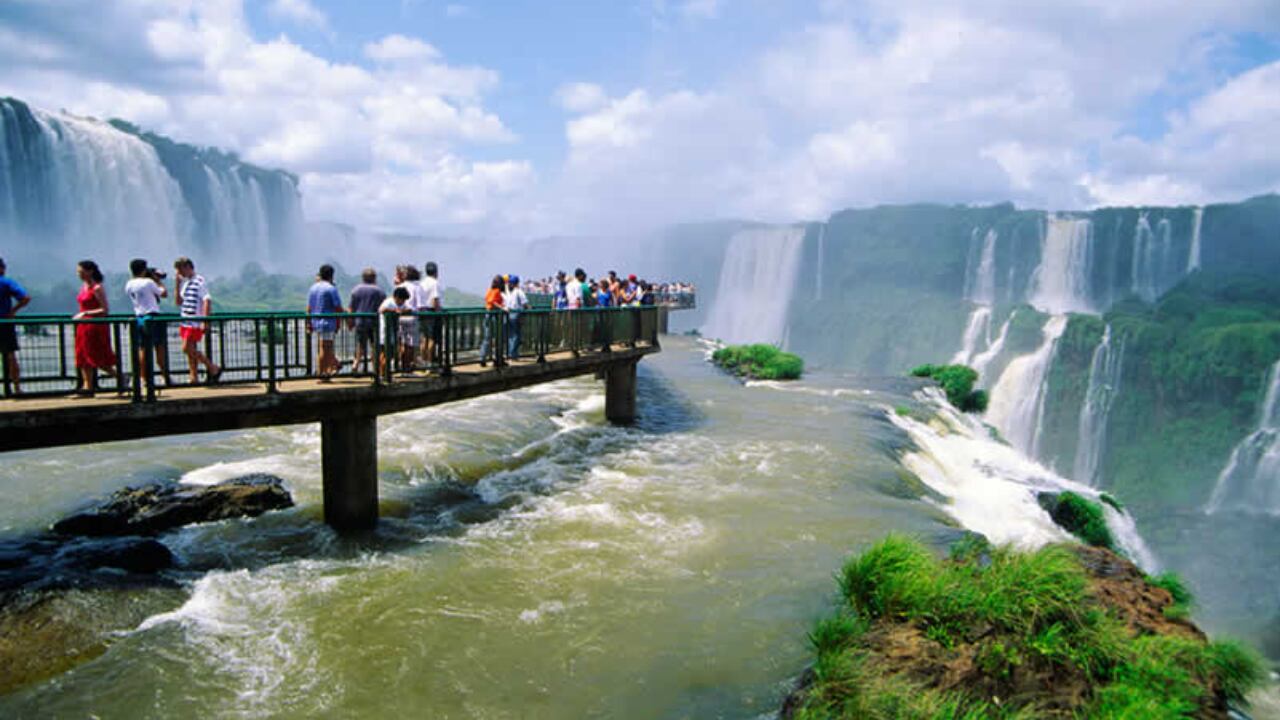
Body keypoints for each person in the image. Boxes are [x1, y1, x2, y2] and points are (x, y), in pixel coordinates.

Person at [72, 260, 121, 395]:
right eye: (78, 272)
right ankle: (88, 387)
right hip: (83, 326)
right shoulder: (84, 287)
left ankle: (120, 377)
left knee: (96, 357)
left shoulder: (97, 288)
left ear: (90, 271)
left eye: (81, 272)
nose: (79, 274)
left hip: (95, 326)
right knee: (82, 356)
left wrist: (86, 313)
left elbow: (105, 310)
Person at [174, 257, 221, 385]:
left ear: (188, 267)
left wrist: (205, 320)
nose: (179, 273)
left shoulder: (199, 281)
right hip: (185, 321)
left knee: (186, 348)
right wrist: (177, 285)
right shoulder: (185, 283)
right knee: (190, 350)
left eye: (180, 269)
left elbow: (207, 300)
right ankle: (193, 377)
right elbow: (178, 302)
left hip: (194, 322)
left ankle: (212, 367)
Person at [125, 258, 170, 386]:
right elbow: (164, 294)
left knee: (142, 348)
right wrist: (158, 281)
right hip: (153, 316)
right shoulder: (149, 282)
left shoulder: (129, 284)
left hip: (139, 317)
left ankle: (142, 378)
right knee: (159, 347)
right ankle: (164, 376)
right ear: (144, 269)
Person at [306, 264, 345, 381]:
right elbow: (337, 306)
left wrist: (309, 322)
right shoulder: (331, 288)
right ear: (331, 275)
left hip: (316, 321)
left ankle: (322, 372)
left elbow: (309, 307)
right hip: (328, 322)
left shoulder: (313, 288)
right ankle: (323, 374)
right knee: (326, 349)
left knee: (323, 348)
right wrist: (345, 315)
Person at [0, 258, 31, 394]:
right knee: (10, 355)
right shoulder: (6, 282)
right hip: (5, 323)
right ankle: (17, 388)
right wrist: (12, 311)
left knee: (10, 356)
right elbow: (25, 298)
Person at [347, 267, 386, 374]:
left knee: (361, 344)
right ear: (374, 278)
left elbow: (350, 308)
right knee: (374, 345)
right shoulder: (379, 291)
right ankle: (375, 369)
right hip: (374, 322)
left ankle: (356, 364)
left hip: (359, 321)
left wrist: (350, 321)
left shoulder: (356, 290)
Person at [378, 286, 414, 377]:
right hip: (385, 331)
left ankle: (384, 373)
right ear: (397, 297)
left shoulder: (400, 304)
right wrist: (394, 311)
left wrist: (401, 310)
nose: (403, 302)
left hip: (392, 332)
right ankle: (383, 374)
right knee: (386, 353)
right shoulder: (389, 302)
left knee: (388, 354)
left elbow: (410, 309)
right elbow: (381, 310)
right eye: (403, 300)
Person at [420, 261, 443, 368]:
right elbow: (435, 299)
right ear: (436, 272)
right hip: (432, 311)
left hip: (422, 311)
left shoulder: (422, 283)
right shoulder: (435, 283)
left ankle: (423, 361)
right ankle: (430, 363)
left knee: (424, 338)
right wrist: (438, 313)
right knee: (432, 338)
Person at [478, 275, 504, 366]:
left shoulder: (490, 290)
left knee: (488, 337)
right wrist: (502, 308)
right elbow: (492, 302)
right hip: (492, 314)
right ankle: (490, 358)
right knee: (493, 337)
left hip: (488, 314)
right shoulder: (496, 291)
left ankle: (484, 357)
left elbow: (488, 300)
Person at [503, 274, 528, 359]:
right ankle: (513, 354)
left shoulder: (509, 292)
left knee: (511, 335)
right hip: (516, 314)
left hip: (509, 314)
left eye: (510, 282)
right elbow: (525, 304)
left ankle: (511, 353)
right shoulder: (519, 291)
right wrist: (528, 311)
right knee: (516, 335)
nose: (509, 284)